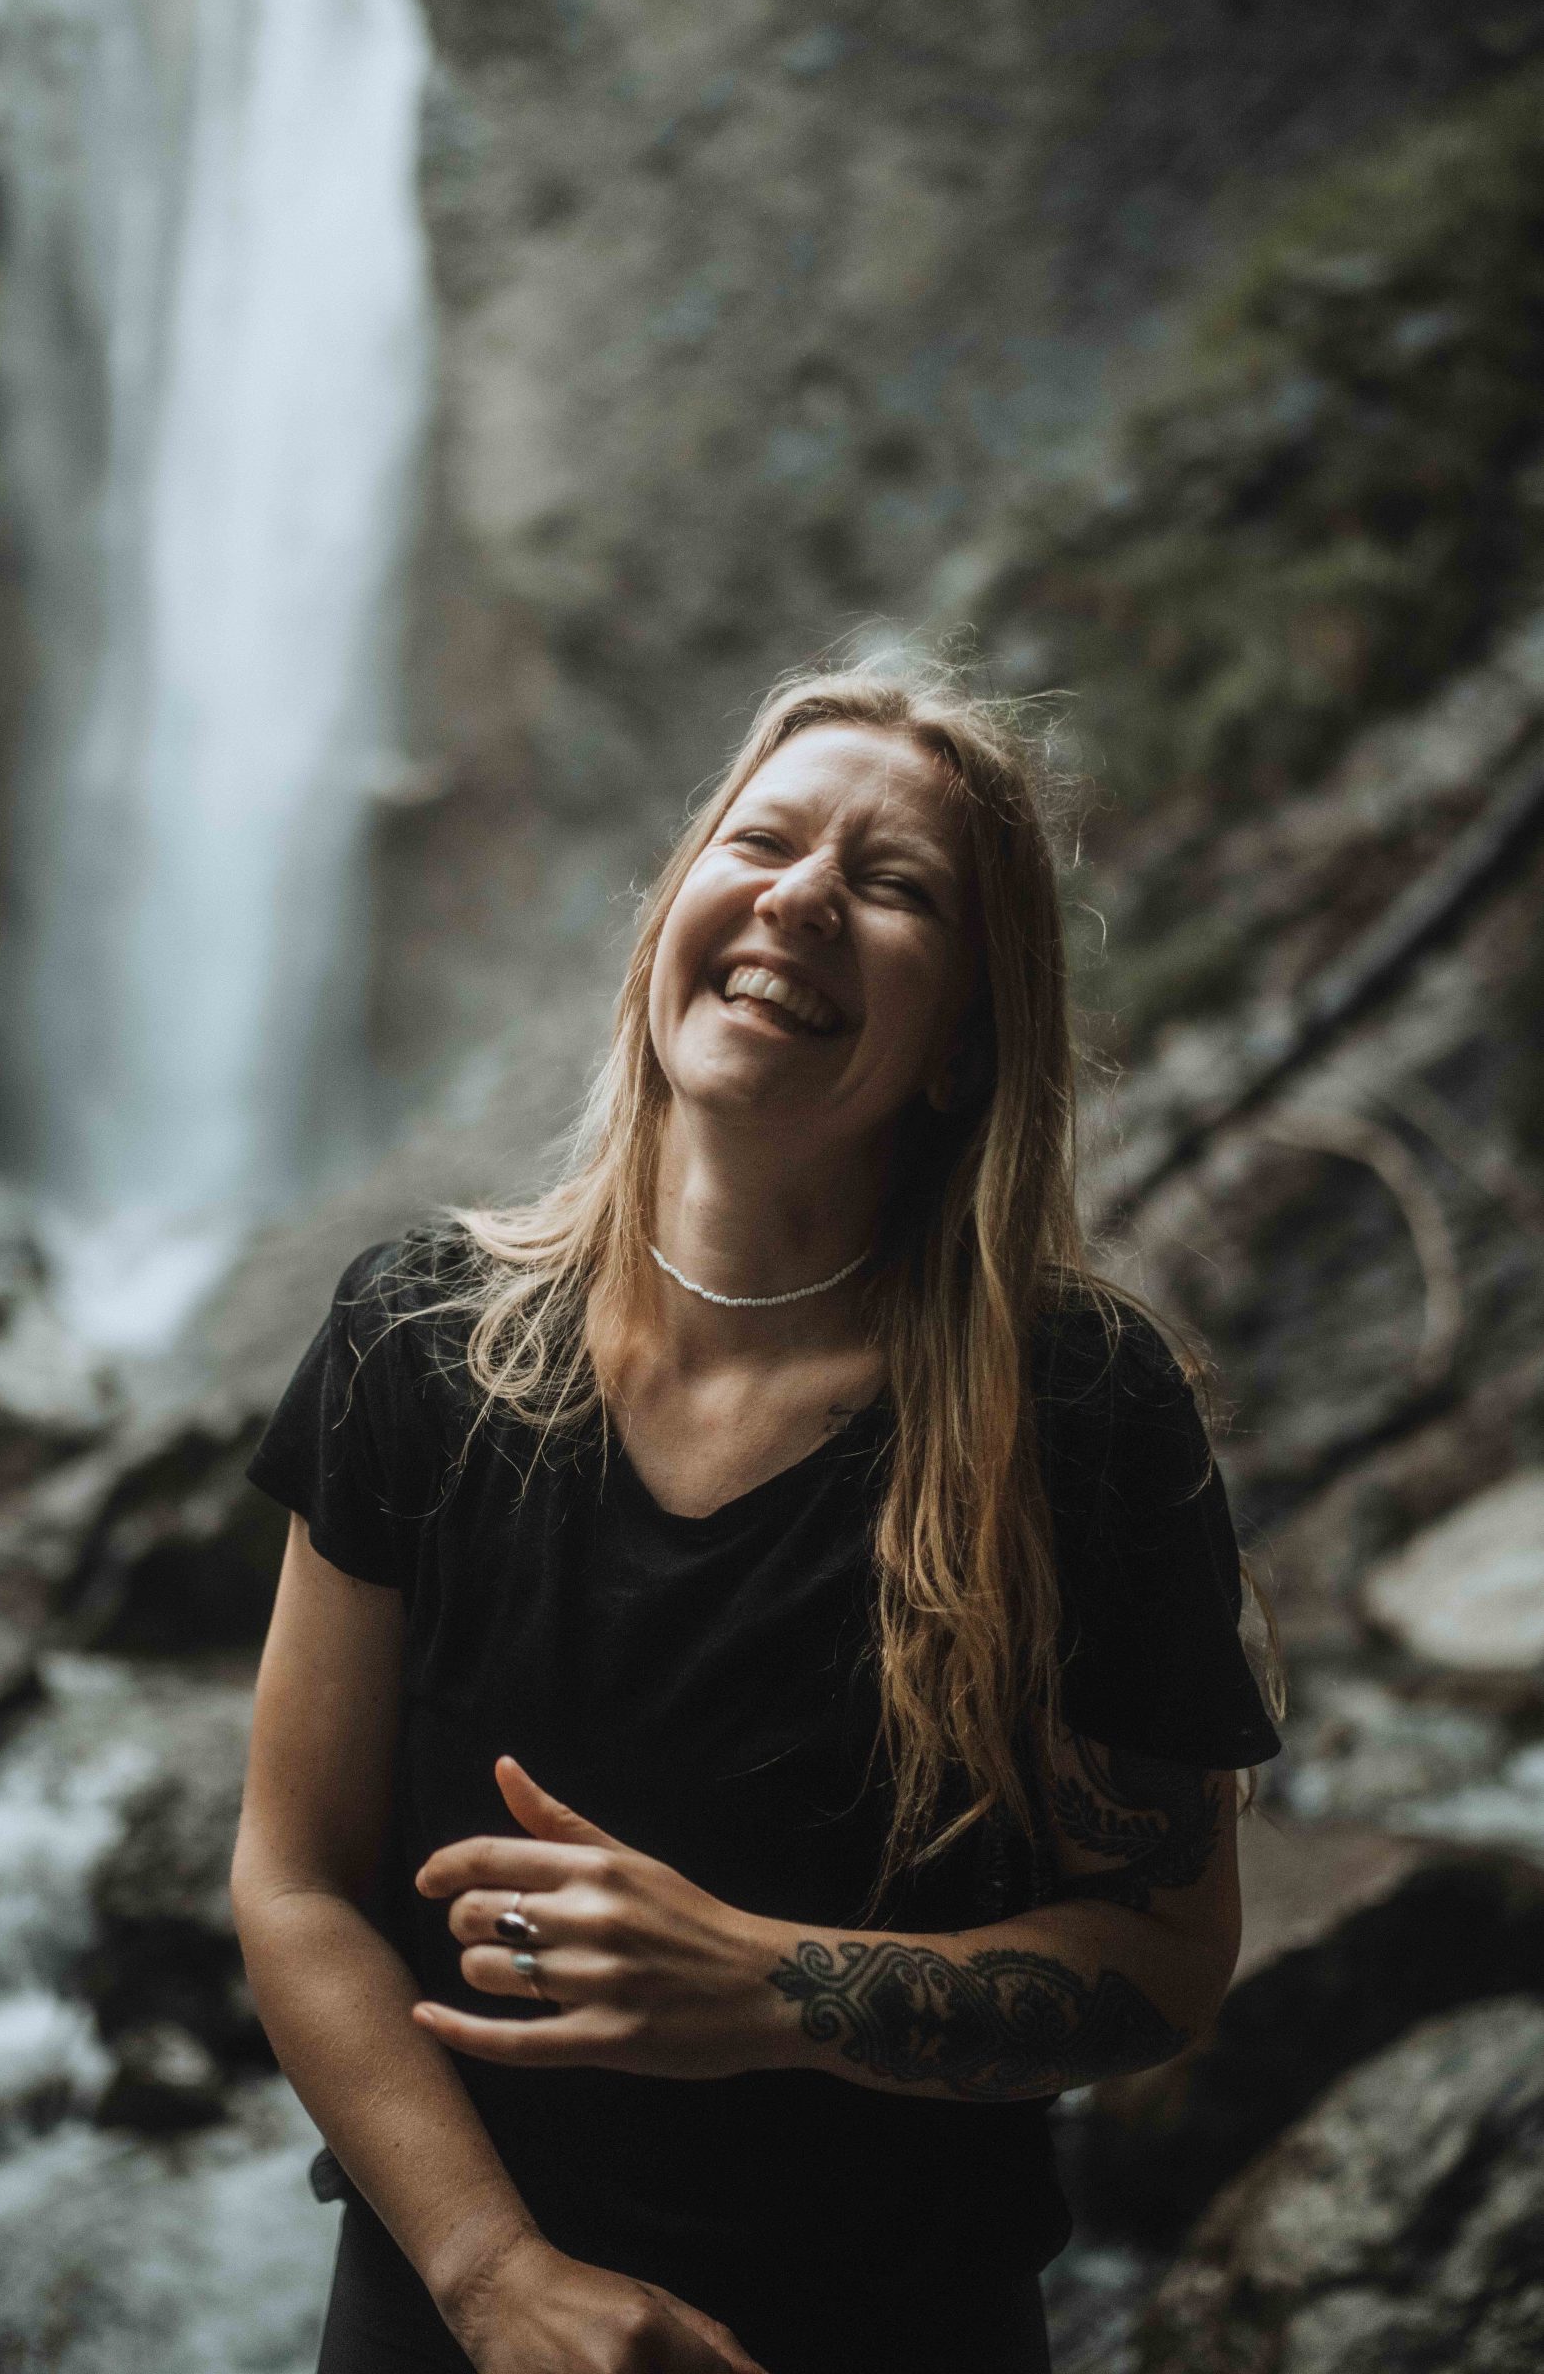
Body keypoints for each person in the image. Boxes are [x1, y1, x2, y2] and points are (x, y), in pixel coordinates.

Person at [230, 647, 1283, 2374]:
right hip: (451, 2321)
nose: (800, 899)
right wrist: (494, 2273)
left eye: (892, 888)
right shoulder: (416, 1342)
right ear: (672, 917)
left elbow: (1167, 1953)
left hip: (887, 2329)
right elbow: (294, 1879)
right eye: (763, 843)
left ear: (963, 1045)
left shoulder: (1072, 1413)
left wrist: (770, 1987)